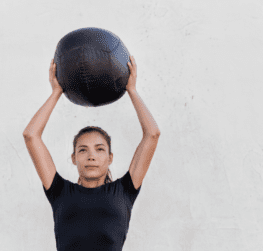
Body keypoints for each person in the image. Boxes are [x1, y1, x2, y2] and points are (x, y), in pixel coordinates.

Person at [22, 56, 161, 251]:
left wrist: (132, 90)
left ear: (110, 158)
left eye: (100, 149)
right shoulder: (59, 191)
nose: (91, 156)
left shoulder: (125, 190)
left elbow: (152, 134)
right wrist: (56, 92)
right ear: (74, 158)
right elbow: (31, 136)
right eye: (82, 150)